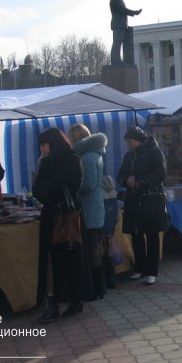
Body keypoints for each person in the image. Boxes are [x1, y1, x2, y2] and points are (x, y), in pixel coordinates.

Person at [33, 128, 92, 323]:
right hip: (51, 215)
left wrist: (49, 189)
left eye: (44, 145)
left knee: (70, 258)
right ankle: (54, 302)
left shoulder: (72, 160)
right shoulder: (46, 163)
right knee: (53, 259)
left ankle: (75, 298)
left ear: (53, 144)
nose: (42, 149)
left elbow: (71, 185)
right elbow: (37, 190)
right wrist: (50, 189)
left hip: (67, 216)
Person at [117, 126, 167, 285]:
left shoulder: (154, 151)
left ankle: (152, 271)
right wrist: (126, 181)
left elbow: (160, 174)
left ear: (137, 140)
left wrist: (137, 180)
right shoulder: (128, 156)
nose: (128, 144)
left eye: (130, 141)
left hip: (150, 199)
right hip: (132, 200)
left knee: (151, 235)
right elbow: (121, 175)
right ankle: (140, 268)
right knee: (136, 234)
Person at [67, 124, 110, 300]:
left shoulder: (87, 157)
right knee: (96, 246)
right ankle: (101, 286)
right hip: (95, 206)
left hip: (89, 207)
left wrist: (72, 186)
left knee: (91, 247)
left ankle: (96, 288)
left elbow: (89, 184)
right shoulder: (95, 154)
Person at [110, 0, 142, 65]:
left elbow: (123, 9)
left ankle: (118, 60)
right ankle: (115, 60)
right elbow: (122, 10)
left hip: (121, 24)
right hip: (118, 24)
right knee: (117, 42)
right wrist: (134, 12)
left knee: (119, 42)